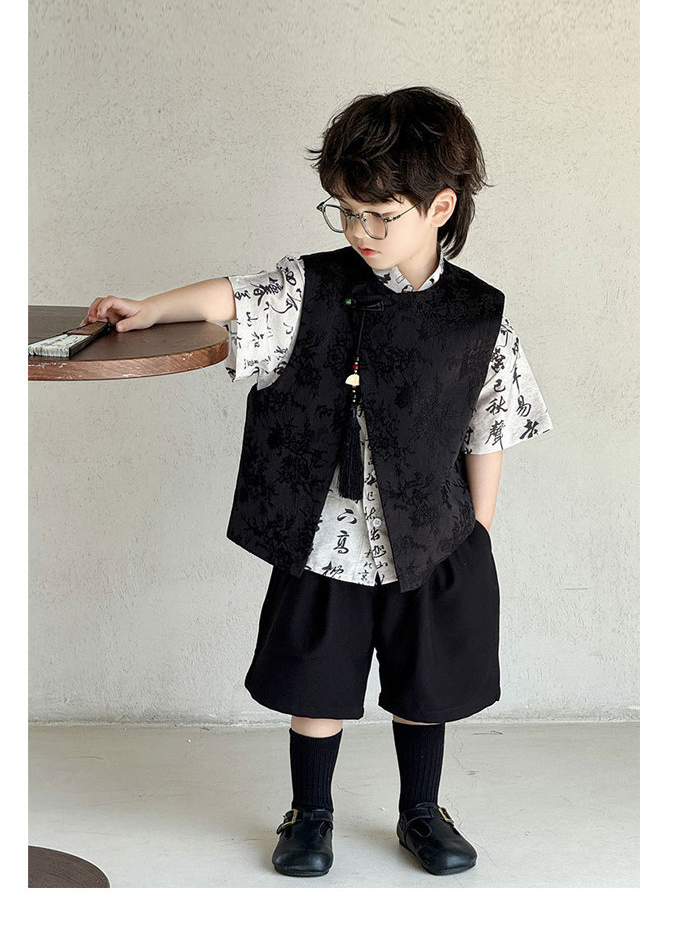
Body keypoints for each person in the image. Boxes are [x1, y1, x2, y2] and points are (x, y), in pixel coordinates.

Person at [80, 85, 553, 880]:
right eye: (345, 211)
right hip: (329, 538)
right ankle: (310, 812)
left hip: (431, 540)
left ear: (440, 207)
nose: (360, 231)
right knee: (318, 684)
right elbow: (237, 297)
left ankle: (422, 809)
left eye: (381, 215)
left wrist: (476, 531)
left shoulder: (480, 317)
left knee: (425, 688)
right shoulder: (315, 286)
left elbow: (489, 428)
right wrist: (151, 308)